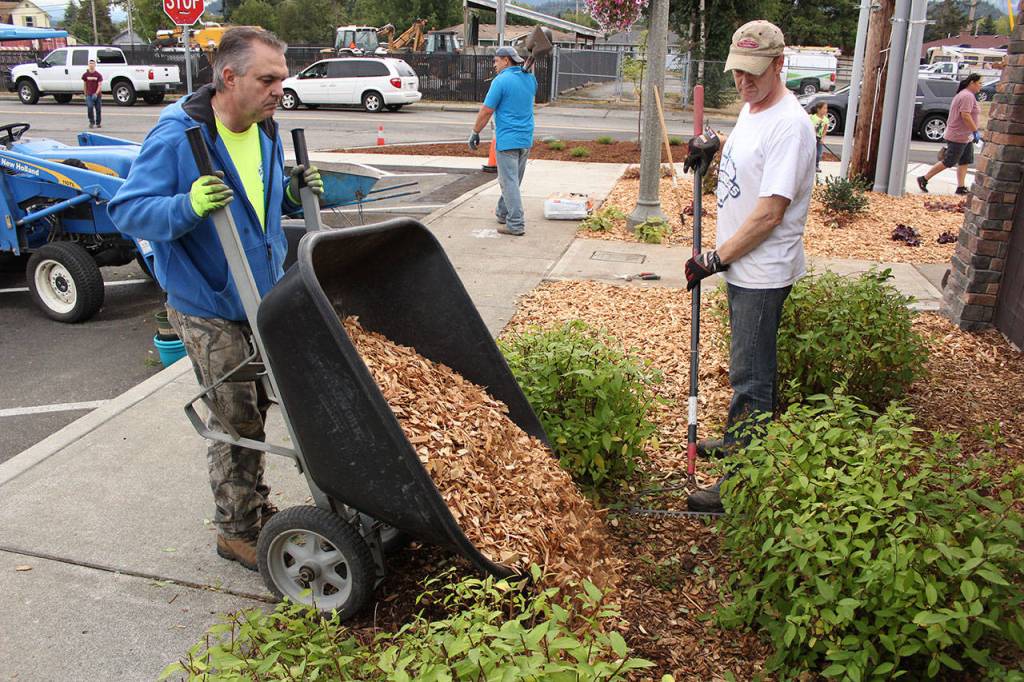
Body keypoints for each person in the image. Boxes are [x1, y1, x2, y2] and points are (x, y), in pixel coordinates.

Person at [108, 27, 323, 571]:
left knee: (266, 405)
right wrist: (185, 206)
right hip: (207, 303)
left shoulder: (266, 129)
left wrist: (295, 191)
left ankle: (253, 505)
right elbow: (128, 211)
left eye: (283, 78)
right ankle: (236, 530)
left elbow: (262, 203)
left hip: (262, 293)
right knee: (236, 418)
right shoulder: (180, 137)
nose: (281, 88)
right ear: (229, 77)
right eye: (268, 79)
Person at [682, 20, 817, 513]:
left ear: (780, 64)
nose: (744, 82)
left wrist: (714, 258)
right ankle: (740, 444)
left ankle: (741, 485)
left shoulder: (791, 126)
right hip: (742, 268)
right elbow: (746, 160)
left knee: (751, 379)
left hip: (761, 272)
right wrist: (713, 147)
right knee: (745, 370)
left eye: (754, 73)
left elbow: (770, 212)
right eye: (737, 72)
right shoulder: (755, 105)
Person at [468, 46, 537, 237]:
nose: (494, 65)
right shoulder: (530, 78)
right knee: (513, 181)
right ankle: (502, 212)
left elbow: (486, 110)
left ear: (506, 60)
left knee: (508, 183)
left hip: (507, 139)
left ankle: (515, 224)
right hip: (525, 139)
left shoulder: (501, 81)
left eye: (496, 61)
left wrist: (475, 132)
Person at [916, 74, 983, 196]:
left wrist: (972, 132)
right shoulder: (966, 96)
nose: (981, 86)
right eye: (979, 83)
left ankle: (961, 187)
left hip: (965, 136)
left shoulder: (967, 95)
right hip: (958, 135)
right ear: (972, 83)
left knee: (965, 160)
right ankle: (924, 178)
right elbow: (965, 115)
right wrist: (975, 130)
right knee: (949, 161)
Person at [82, 59, 103, 129]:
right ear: (88, 65)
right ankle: (91, 122)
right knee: (90, 107)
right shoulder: (85, 75)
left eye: (93, 63)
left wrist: (96, 93)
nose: (91, 65)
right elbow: (84, 85)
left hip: (97, 95)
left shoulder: (98, 75)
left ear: (95, 65)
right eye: (90, 63)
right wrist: (85, 94)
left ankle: (98, 123)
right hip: (89, 94)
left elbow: (100, 85)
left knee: (98, 109)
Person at [809, 101, 829, 172]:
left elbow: (825, 130)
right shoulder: (813, 118)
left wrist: (823, 138)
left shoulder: (826, 120)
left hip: (819, 139)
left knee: (818, 153)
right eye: (824, 108)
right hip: (812, 138)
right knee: (812, 153)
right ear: (818, 109)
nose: (826, 110)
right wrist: (813, 136)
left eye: (826, 108)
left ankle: (816, 166)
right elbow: (811, 128)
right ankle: (810, 166)